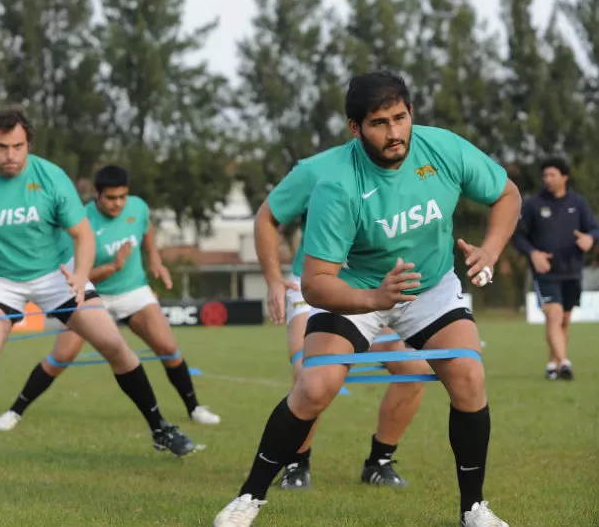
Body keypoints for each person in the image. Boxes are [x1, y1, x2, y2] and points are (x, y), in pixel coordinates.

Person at [213, 71, 521, 527]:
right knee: (315, 385)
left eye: (400, 117)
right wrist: (373, 297)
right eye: (379, 123)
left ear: (412, 112)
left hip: (428, 286)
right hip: (355, 288)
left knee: (469, 375)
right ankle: (250, 497)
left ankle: (473, 508)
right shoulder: (335, 183)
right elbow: (316, 282)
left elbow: (507, 194)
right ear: (355, 128)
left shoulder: (443, 148)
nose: (395, 132)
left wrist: (490, 250)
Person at [0, 105, 196, 469]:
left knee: (113, 344)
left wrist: (81, 274)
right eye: (1, 147)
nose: (10, 155)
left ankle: (160, 428)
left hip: (56, 273)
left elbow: (82, 235)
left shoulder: (51, 177)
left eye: (17, 146)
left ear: (28, 143)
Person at [0, 165, 221, 432]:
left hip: (133, 290)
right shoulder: (79, 219)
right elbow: (78, 274)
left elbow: (146, 230)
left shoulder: (138, 208)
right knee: (62, 355)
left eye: (123, 196)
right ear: (97, 195)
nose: (118, 203)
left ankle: (195, 408)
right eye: (111, 198)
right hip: (90, 291)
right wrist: (113, 267)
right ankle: (15, 411)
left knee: (168, 348)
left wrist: (156, 260)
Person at [257, 157, 432, 490]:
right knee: (309, 373)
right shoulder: (316, 168)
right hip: (314, 286)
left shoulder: (405, 164)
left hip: (368, 289)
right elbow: (267, 217)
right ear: (358, 124)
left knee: (413, 368)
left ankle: (379, 461)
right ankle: (297, 462)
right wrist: (273, 281)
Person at [510, 157, 599, 381]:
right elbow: (517, 236)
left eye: (552, 175)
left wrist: (590, 238)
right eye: (545, 175)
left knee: (564, 320)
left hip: (572, 271)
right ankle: (565, 363)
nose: (547, 179)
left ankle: (553, 363)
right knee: (554, 315)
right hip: (545, 272)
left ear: (565, 176)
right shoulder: (533, 204)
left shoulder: (577, 203)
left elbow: (594, 229)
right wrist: (533, 254)